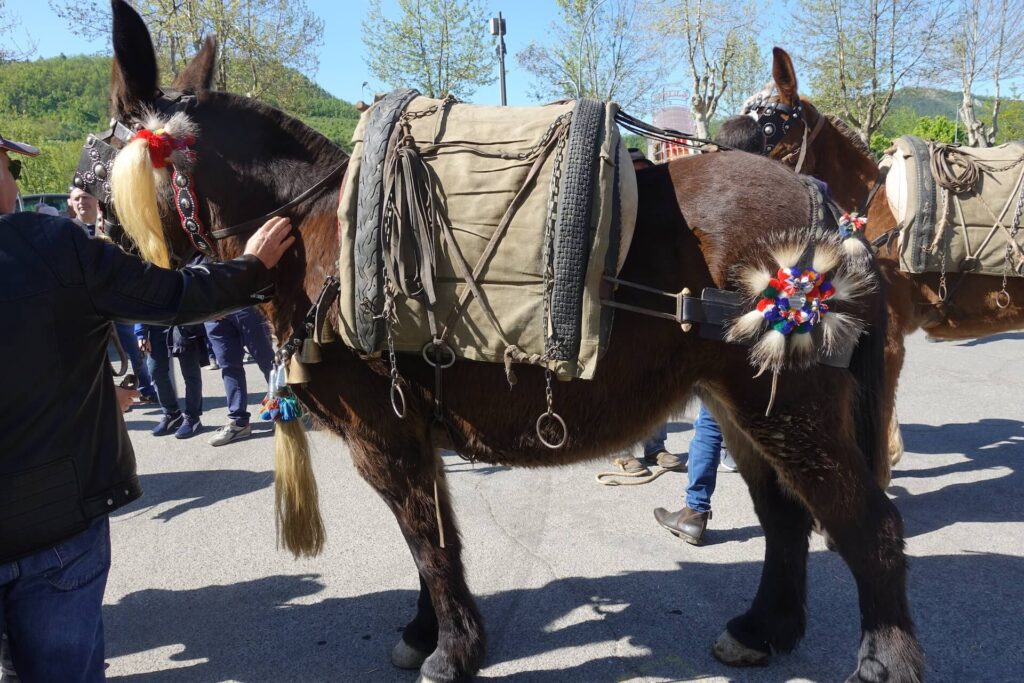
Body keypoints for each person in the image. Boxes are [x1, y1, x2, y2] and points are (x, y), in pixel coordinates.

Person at [0, 130, 294, 682]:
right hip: (55, 524)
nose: (15, 182)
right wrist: (251, 267)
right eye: (9, 169)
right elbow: (173, 297)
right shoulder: (50, 244)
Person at [204, 306, 275, 446]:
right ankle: (239, 423)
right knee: (229, 367)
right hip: (212, 314)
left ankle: (282, 415)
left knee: (269, 363)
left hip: (246, 305)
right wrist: (204, 309)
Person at [137, 322, 208, 438]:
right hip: (156, 326)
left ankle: (193, 417)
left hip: (184, 324)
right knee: (155, 371)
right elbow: (140, 305)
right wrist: (141, 334)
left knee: (190, 374)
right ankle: (172, 414)